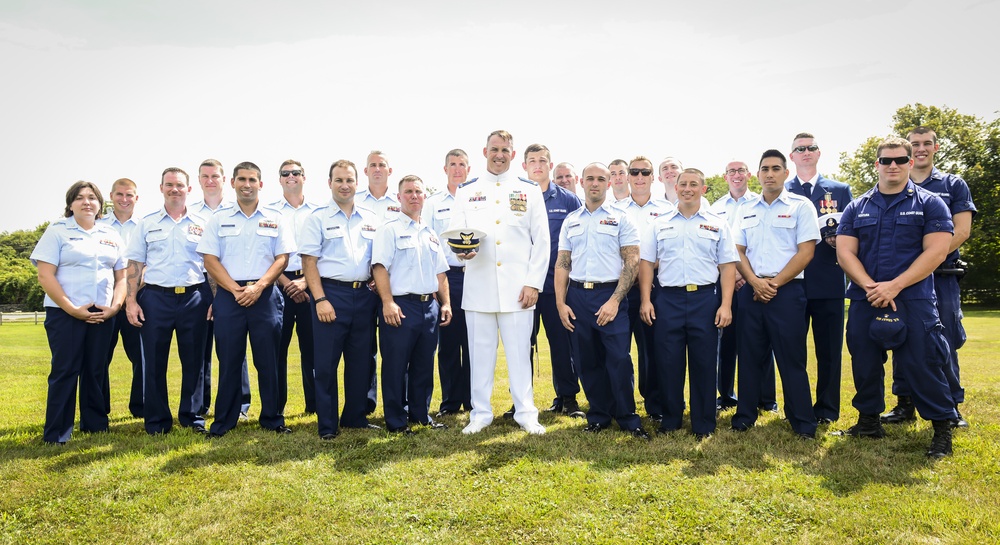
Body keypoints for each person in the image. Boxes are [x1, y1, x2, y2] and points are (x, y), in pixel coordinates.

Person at [835, 136, 957, 458]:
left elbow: (937, 251)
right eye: (886, 160)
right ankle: (868, 422)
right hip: (866, 298)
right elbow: (845, 253)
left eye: (900, 160)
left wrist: (895, 285)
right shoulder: (856, 207)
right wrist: (870, 287)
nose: (893, 166)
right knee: (864, 362)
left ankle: (943, 429)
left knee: (924, 363)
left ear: (909, 163)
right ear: (876, 164)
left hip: (914, 299)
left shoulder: (930, 203)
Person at [449, 130, 549, 435]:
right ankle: (480, 413)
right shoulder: (466, 192)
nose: (499, 154)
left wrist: (534, 283)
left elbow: (542, 241)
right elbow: (454, 235)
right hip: (479, 287)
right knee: (479, 356)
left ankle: (526, 413)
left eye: (505, 150)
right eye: (494, 149)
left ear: (513, 155)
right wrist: (461, 253)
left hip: (518, 290)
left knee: (520, 354)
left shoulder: (529, 191)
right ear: (485, 151)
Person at [882, 127, 976, 428]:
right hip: (903, 281)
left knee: (942, 338)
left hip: (940, 276)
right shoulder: (892, 185)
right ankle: (904, 403)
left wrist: (925, 261)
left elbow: (961, 231)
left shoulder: (952, 185)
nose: (920, 149)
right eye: (914, 144)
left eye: (926, 144)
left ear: (935, 147)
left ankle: (951, 405)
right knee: (899, 334)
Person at [197, 161, 295, 437]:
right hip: (230, 297)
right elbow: (209, 259)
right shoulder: (219, 218)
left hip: (265, 296)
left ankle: (273, 419)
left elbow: (282, 258)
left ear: (261, 184)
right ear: (233, 183)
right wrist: (234, 289)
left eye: (252, 179)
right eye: (242, 179)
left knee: (269, 361)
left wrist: (259, 286)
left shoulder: (276, 217)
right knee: (229, 360)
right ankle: (223, 422)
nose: (247, 184)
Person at [640, 168, 737, 439]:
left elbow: (728, 266)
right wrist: (646, 299)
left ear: (703, 189)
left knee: (704, 364)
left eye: (694, 184)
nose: (687, 188)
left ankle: (704, 423)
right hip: (667, 299)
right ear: (676, 187)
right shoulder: (659, 223)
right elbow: (647, 263)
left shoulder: (718, 223)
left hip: (705, 299)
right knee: (668, 363)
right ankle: (670, 420)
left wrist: (725, 304)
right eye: (683, 184)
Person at [555, 163, 649, 439]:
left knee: (619, 359)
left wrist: (615, 301)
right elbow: (563, 263)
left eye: (600, 179)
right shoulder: (571, 220)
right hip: (578, 295)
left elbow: (632, 261)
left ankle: (628, 417)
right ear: (581, 182)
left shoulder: (622, 218)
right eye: (589, 179)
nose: (594, 183)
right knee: (586, 359)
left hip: (610, 295)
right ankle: (599, 415)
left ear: (609, 184)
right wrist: (561, 303)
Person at [730, 149, 819, 439]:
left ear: (786, 173)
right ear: (757, 175)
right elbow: (737, 251)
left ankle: (803, 422)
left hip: (787, 292)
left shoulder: (801, 206)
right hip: (752, 292)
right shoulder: (746, 208)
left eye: (776, 168)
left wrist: (773, 284)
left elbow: (806, 252)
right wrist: (755, 281)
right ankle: (745, 416)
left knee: (791, 359)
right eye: (765, 169)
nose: (770, 173)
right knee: (750, 357)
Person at [31, 181, 127, 444]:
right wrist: (72, 309)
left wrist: (115, 307)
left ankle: (95, 425)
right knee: (65, 370)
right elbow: (45, 274)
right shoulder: (57, 231)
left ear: (100, 204)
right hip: (65, 313)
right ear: (70, 204)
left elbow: (121, 278)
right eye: (80, 198)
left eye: (92, 197)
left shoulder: (110, 234)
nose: (87, 202)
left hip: (102, 313)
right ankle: (57, 432)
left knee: (96, 370)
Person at [124, 168, 211, 435]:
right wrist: (130, 301)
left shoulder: (203, 223)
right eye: (169, 185)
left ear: (189, 189)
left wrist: (214, 300)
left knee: (195, 362)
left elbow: (211, 264)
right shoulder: (147, 224)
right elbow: (135, 264)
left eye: (180, 185)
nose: (175, 189)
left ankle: (192, 417)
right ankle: (157, 421)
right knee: (153, 362)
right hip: (155, 299)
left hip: (194, 298)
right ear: (161, 188)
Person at [300, 160, 383, 439]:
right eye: (339, 180)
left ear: (357, 183)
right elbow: (309, 262)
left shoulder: (372, 217)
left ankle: (355, 417)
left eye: (349, 180)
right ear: (329, 183)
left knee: (361, 361)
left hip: (364, 295)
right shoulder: (317, 218)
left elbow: (379, 259)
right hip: (330, 295)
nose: (345, 185)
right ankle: (327, 425)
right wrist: (320, 298)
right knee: (325, 364)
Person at [372, 175, 452, 434]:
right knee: (395, 365)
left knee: (423, 365)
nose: (414, 196)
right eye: (408, 192)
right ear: (399, 197)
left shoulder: (430, 232)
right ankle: (396, 421)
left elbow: (440, 273)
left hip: (428, 307)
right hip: (401, 306)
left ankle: (420, 415)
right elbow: (379, 267)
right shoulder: (390, 229)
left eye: (418, 191)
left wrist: (446, 303)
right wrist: (387, 302)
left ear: (424, 197)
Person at [785, 133, 853, 424]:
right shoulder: (781, 190)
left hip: (828, 282)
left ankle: (826, 410)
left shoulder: (839, 190)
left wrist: (842, 241)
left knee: (829, 353)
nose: (806, 152)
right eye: (800, 149)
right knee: (791, 353)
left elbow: (854, 233)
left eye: (811, 147)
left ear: (818, 153)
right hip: (790, 284)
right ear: (792, 156)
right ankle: (796, 410)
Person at [522, 143, 584, 418]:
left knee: (562, 344)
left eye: (542, 160)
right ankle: (520, 401)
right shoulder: (517, 196)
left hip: (557, 287)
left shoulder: (568, 200)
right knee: (522, 345)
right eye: (532, 160)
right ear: (524, 166)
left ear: (550, 164)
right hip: (523, 286)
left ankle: (568, 399)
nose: (538, 165)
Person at [710, 161, 777, 413]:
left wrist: (745, 276)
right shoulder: (716, 208)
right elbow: (713, 247)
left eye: (741, 171)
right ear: (724, 176)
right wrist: (732, 275)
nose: (736, 175)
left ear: (749, 175)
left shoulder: (760, 203)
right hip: (726, 282)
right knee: (725, 341)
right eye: (731, 171)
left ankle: (766, 399)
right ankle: (726, 396)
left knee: (761, 341)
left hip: (753, 283)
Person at [613, 156, 676, 422]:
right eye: (634, 172)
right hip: (621, 288)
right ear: (627, 177)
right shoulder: (614, 209)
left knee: (652, 349)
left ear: (653, 177)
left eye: (645, 172)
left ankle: (655, 405)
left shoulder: (667, 209)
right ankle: (621, 405)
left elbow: (670, 246)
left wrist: (647, 268)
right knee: (618, 349)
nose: (639, 177)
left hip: (655, 286)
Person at [191, 159, 251, 421]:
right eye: (205, 176)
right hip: (198, 285)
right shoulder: (191, 214)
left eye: (215, 175)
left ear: (225, 180)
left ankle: (241, 405)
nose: (210, 180)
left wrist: (223, 294)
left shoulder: (238, 208)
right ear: (199, 180)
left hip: (232, 287)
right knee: (201, 348)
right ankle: (201, 405)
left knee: (234, 347)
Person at [424, 149, 473, 417]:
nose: (457, 169)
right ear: (445, 169)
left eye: (462, 165)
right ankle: (451, 403)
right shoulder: (433, 203)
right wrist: (435, 286)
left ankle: (474, 401)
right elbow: (429, 244)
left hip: (476, 276)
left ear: (469, 168)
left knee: (476, 341)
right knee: (450, 342)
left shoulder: (478, 199)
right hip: (447, 278)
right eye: (452, 165)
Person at [268, 159, 319, 415]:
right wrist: (287, 282)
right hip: (279, 285)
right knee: (278, 349)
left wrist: (305, 282)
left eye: (296, 173)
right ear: (279, 179)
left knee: (313, 350)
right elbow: (266, 253)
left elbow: (326, 251)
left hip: (311, 285)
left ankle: (315, 406)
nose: (291, 177)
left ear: (304, 177)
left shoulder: (319, 211)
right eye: (285, 173)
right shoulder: (269, 212)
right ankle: (276, 408)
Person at [357, 150, 401, 415]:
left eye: (382, 165)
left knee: (396, 348)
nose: (377, 169)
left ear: (389, 170)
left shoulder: (400, 201)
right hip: (362, 285)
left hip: (393, 285)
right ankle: (366, 401)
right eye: (372, 165)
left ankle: (399, 403)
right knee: (364, 348)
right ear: (365, 171)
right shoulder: (355, 202)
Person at [99, 177, 143, 418]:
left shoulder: (145, 225)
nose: (124, 199)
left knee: (140, 355)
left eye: (129, 195)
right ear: (111, 196)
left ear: (137, 198)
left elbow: (148, 262)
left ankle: (140, 407)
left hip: (138, 298)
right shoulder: (98, 224)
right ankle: (99, 409)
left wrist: (131, 294)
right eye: (120, 195)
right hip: (105, 297)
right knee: (100, 356)